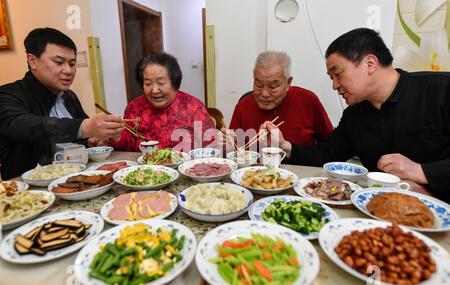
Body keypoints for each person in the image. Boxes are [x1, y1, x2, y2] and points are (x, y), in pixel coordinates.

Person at [261, 28, 450, 202]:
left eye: (338, 74)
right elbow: (327, 155)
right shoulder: (355, 115)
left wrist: (422, 171)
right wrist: (286, 147)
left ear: (370, 63)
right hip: (378, 212)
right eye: (331, 77)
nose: (334, 85)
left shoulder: (441, 90)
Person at [0, 28, 123, 180]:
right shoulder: (7, 95)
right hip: (31, 192)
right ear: (33, 61)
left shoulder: (69, 96)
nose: (68, 70)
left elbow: (81, 135)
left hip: (77, 179)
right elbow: (23, 125)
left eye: (72, 64)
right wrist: (84, 127)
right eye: (59, 62)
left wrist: (92, 139)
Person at [222, 51, 333, 149]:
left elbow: (329, 146)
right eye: (258, 85)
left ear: (288, 82)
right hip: (253, 171)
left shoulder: (308, 101)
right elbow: (234, 149)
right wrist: (227, 145)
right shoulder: (243, 106)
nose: (264, 94)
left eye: (273, 87)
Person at [108, 52, 215, 152]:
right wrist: (116, 136)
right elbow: (128, 146)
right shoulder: (134, 108)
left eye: (161, 82)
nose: (154, 90)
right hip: (145, 169)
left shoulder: (194, 107)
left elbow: (210, 146)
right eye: (148, 83)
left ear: (174, 82)